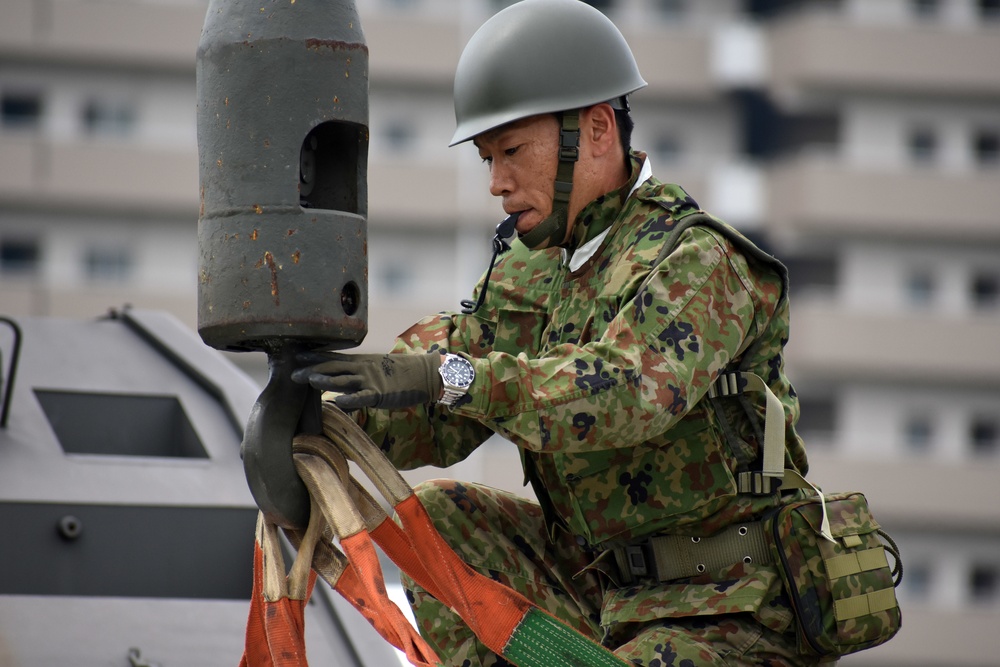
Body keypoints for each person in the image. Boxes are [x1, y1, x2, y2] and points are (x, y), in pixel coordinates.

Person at [294, 0, 815, 664]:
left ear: (597, 130)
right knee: (437, 522)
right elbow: (453, 400)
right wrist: (330, 422)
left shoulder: (698, 261)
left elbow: (625, 393)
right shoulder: (533, 270)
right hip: (605, 596)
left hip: (730, 608)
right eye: (487, 157)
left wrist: (454, 376)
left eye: (511, 151)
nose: (496, 182)